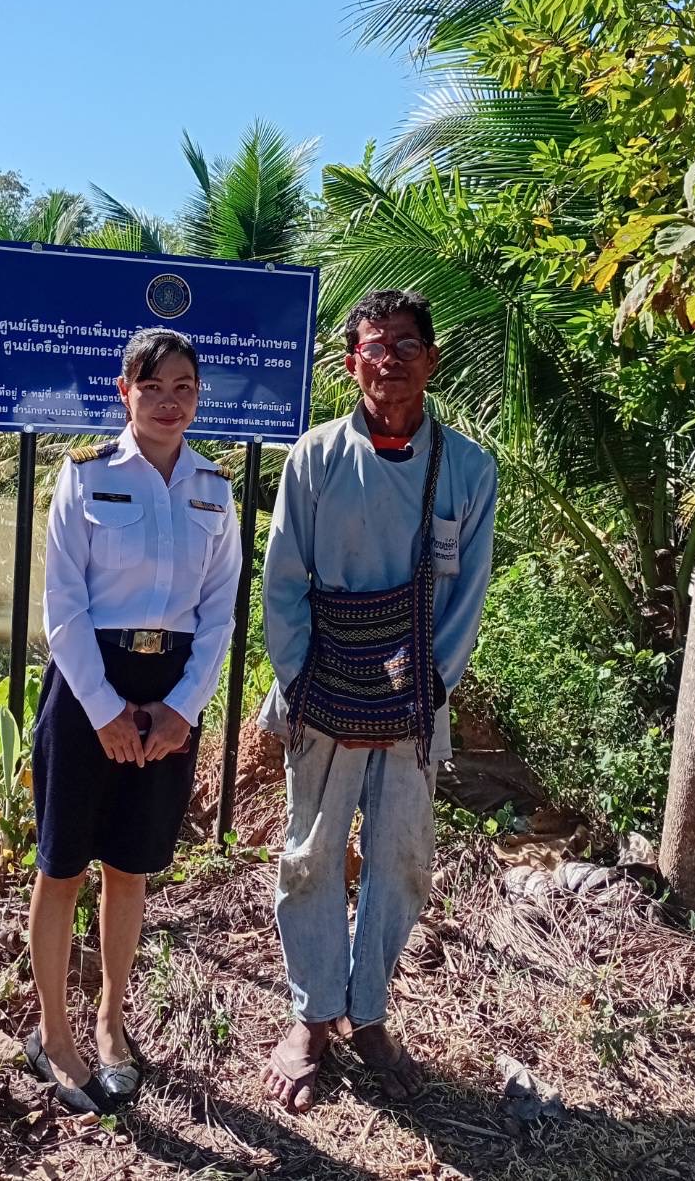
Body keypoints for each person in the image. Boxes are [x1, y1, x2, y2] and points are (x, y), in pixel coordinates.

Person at [258, 289, 497, 1114]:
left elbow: (465, 598)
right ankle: (311, 1016)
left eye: (405, 343)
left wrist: (420, 694)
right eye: (373, 344)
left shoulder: (468, 469)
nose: (388, 357)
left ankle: (369, 1014)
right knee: (310, 855)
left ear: (432, 360)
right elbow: (283, 582)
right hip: (320, 692)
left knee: (400, 859)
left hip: (414, 702)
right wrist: (307, 687)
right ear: (351, 362)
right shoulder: (315, 457)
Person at [26, 327, 241, 1115]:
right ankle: (54, 1033)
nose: (168, 401)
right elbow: (63, 606)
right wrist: (105, 710)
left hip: (169, 692)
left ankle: (112, 1023)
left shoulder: (214, 488)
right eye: (152, 386)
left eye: (184, 387)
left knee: (130, 867)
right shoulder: (85, 475)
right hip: (90, 688)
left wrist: (183, 708)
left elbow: (219, 612)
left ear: (198, 396)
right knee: (62, 867)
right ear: (125, 392)